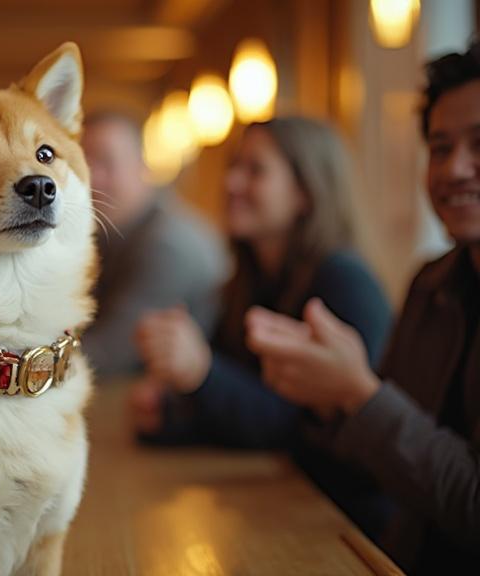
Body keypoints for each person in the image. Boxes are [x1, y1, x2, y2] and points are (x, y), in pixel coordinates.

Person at [246, 43, 480, 574]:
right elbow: (377, 468)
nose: (455, 169)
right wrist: (333, 400)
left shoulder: (343, 276)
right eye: (440, 148)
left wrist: (357, 393)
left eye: (479, 143)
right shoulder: (432, 284)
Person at [131, 116, 393, 538]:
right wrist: (167, 413)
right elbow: (236, 414)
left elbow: (310, 433)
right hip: (272, 509)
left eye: (255, 170)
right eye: (235, 166)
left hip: (345, 528)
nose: (231, 182)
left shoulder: (344, 281)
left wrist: (202, 372)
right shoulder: (249, 281)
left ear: (305, 192)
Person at [80, 110, 227, 376]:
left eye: (105, 162)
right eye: (82, 163)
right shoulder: (114, 230)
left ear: (143, 167)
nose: (91, 180)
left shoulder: (168, 246)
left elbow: (109, 354)